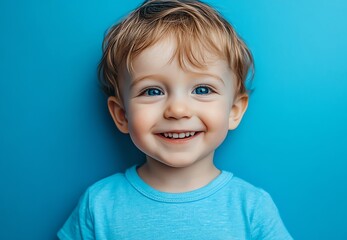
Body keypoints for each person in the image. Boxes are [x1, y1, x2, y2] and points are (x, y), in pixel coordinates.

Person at [58, 0, 293, 239]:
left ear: (234, 110)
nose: (178, 110)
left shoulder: (251, 209)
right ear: (122, 115)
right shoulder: (98, 205)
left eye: (202, 90)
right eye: (152, 91)